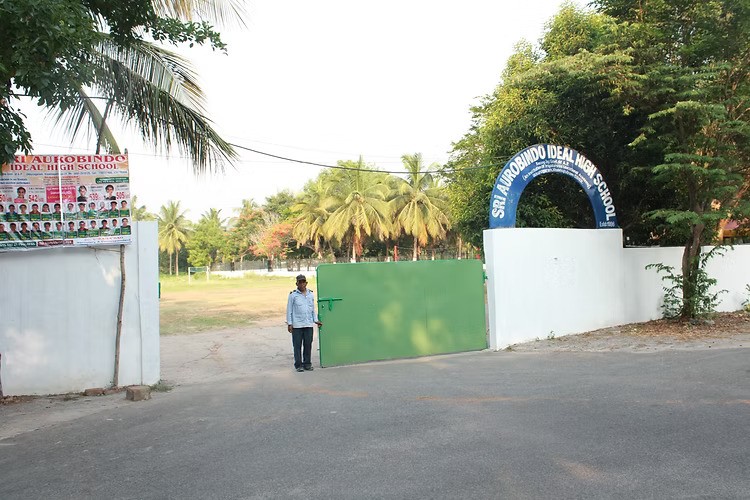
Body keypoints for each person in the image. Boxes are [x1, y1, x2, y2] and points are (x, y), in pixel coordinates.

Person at [286, 274, 323, 372]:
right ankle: (298, 365)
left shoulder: (310, 294)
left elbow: (312, 309)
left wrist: (315, 320)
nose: (302, 284)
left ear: (306, 283)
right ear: (296, 283)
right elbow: (289, 310)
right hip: (297, 325)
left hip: (308, 324)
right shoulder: (293, 295)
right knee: (297, 346)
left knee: (308, 345)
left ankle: (307, 364)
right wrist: (290, 323)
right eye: (300, 282)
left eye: (303, 282)